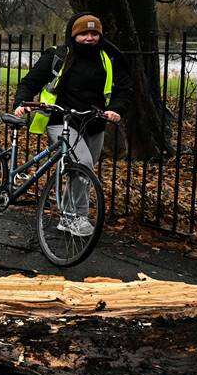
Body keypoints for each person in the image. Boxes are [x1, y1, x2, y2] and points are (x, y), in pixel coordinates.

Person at [10, 12, 132, 235]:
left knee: (81, 173)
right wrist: (21, 103)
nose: (89, 38)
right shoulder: (59, 56)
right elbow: (29, 82)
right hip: (60, 121)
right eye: (84, 33)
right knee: (83, 165)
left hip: (94, 123)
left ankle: (68, 214)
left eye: (94, 33)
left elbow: (124, 89)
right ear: (74, 34)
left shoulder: (109, 58)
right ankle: (74, 217)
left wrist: (116, 109)